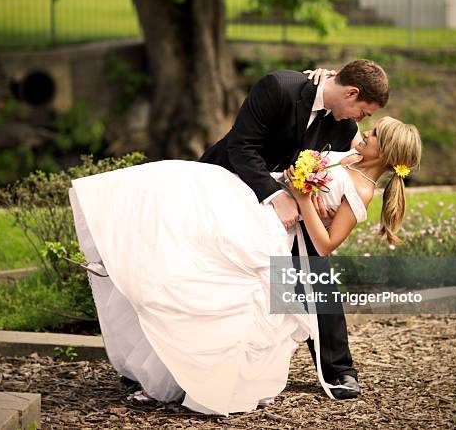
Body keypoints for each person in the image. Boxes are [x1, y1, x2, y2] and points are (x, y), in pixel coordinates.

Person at [68, 115, 421, 415]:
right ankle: (125, 254)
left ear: (386, 152)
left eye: (374, 135)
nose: (366, 133)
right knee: (183, 201)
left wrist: (303, 200)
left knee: (224, 292)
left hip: (276, 230)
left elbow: (325, 245)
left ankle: (205, 379)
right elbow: (340, 116)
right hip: (262, 204)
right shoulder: (350, 159)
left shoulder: (361, 190)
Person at [200, 59, 389, 399]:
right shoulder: (279, 88)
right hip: (228, 183)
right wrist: (277, 196)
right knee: (209, 275)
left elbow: (335, 172)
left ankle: (338, 369)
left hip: (288, 209)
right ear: (351, 93)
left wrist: (310, 195)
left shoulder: (343, 128)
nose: (361, 122)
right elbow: (241, 146)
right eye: (363, 112)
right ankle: (176, 360)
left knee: (314, 271)